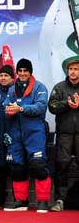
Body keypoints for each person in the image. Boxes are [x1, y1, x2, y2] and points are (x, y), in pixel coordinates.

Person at [4, 58, 51, 213]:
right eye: (20, 71)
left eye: (26, 71)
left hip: (34, 133)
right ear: (17, 73)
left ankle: (43, 201)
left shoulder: (39, 87)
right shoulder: (12, 89)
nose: (23, 73)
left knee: (38, 166)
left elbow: (40, 107)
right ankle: (21, 201)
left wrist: (21, 109)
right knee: (17, 167)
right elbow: (6, 104)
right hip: (15, 133)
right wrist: (8, 109)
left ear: (30, 72)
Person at [48, 57, 79, 212]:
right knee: (62, 166)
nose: (73, 72)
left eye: (76, 69)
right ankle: (60, 200)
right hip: (64, 134)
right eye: (71, 69)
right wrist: (68, 104)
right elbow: (52, 106)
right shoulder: (59, 87)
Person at [0, 65, 15, 208]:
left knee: (15, 168)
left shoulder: (17, 91)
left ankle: (18, 200)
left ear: (12, 78)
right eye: (1, 75)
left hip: (14, 137)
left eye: (6, 75)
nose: (3, 78)